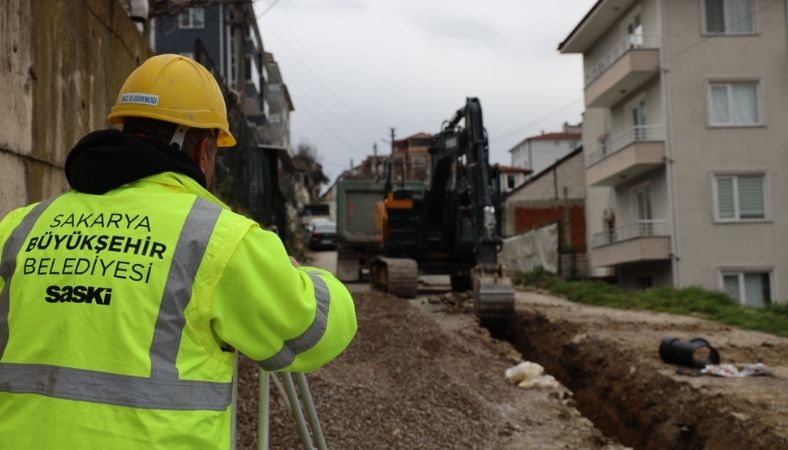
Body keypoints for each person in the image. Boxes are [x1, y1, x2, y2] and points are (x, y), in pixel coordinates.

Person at [0, 54, 357, 449]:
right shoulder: (217, 238)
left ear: (123, 129)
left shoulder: (20, 227)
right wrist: (313, 278)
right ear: (204, 148)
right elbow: (313, 331)